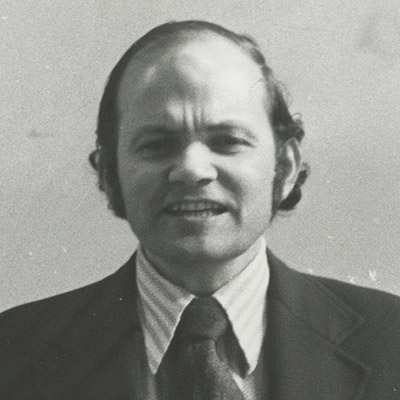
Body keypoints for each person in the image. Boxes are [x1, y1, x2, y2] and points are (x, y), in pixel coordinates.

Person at [1, 20, 399, 400]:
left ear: (286, 166)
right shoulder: (13, 352)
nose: (192, 170)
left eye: (227, 141)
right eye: (157, 144)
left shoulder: (391, 342)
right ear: (109, 172)